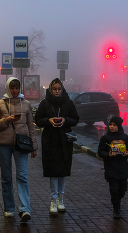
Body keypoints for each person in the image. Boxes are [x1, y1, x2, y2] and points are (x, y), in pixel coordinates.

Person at [0, 77, 38, 222]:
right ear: (7, 88)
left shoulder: (26, 104)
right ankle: (9, 208)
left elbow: (31, 127)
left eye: (17, 88)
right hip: (3, 145)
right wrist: (6, 120)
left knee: (22, 176)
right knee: (7, 177)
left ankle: (25, 209)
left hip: (21, 145)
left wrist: (34, 147)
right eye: (12, 87)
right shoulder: (0, 104)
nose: (14, 90)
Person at [35, 78, 79, 215]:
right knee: (53, 172)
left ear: (62, 89)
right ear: (50, 89)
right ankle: (53, 200)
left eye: (59, 89)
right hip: (50, 141)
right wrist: (49, 121)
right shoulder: (45, 103)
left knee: (63, 172)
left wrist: (65, 120)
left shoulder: (68, 102)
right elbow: (38, 120)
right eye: (54, 89)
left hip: (64, 141)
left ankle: (61, 200)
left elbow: (76, 119)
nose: (57, 91)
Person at [97, 116, 128, 219]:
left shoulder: (124, 137)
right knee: (114, 190)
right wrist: (108, 154)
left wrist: (127, 153)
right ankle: (116, 209)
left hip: (122, 168)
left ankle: (117, 201)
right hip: (111, 168)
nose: (112, 127)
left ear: (119, 126)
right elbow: (100, 151)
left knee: (123, 189)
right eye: (110, 124)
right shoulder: (105, 138)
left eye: (114, 125)